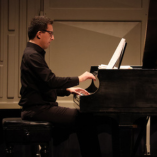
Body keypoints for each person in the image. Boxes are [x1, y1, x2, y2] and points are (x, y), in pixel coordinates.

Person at [19, 16, 101, 157]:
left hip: (40, 107)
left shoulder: (33, 54)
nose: (53, 38)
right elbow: (51, 80)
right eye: (50, 33)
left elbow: (44, 85)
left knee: (84, 119)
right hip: (36, 110)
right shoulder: (32, 55)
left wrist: (68, 90)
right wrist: (79, 79)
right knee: (84, 119)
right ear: (39, 34)